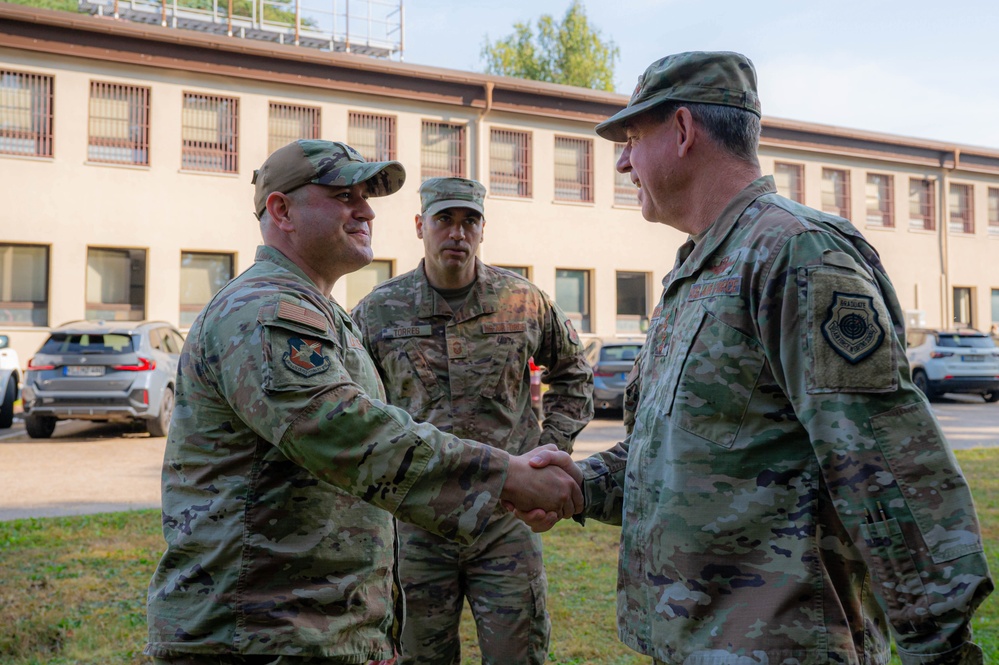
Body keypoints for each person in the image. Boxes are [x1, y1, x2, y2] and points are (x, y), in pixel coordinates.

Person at [522, 52, 994, 664]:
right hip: (698, 641)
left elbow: (887, 467)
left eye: (633, 138)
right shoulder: (696, 271)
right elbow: (687, 451)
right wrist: (579, 485)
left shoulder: (797, 254)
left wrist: (940, 650)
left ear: (685, 131)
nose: (621, 161)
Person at [144, 140, 583, 665]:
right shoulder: (266, 312)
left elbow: (570, 371)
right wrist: (508, 476)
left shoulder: (321, 311)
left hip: (309, 627)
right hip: (261, 634)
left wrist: (541, 449)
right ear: (281, 210)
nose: (367, 210)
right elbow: (350, 434)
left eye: (367, 196)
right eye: (343, 195)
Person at [351, 177, 594, 664]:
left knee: (517, 655)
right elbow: (357, 407)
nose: (457, 233)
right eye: (444, 219)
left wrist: (548, 450)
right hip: (419, 525)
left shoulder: (523, 301)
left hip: (506, 522)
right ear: (420, 225)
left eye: (469, 221)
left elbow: (573, 374)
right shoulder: (378, 311)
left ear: (483, 230)